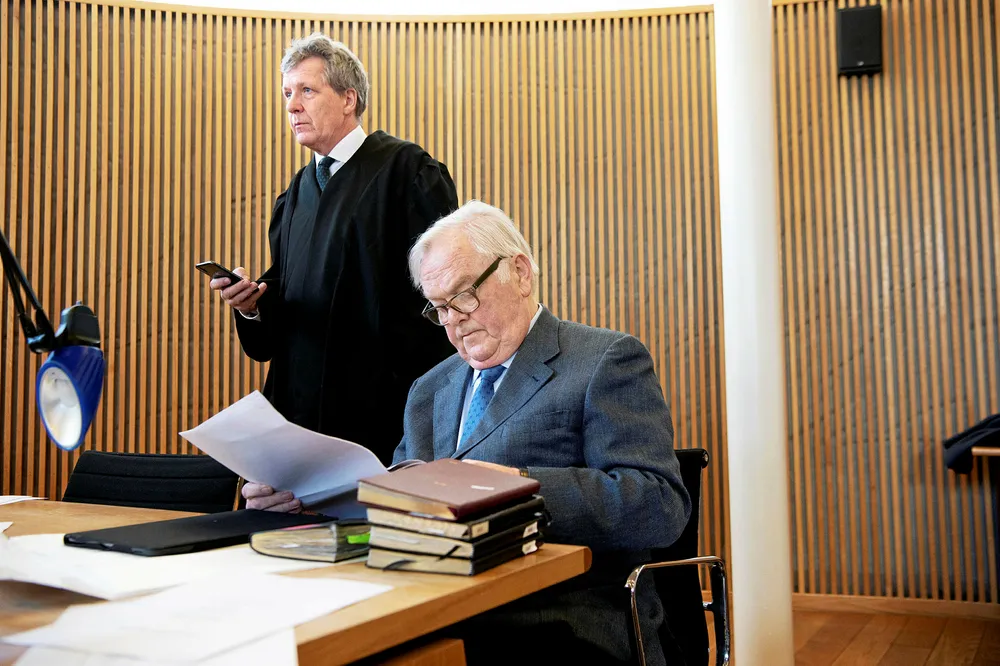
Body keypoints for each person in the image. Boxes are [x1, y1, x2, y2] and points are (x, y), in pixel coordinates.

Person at [245, 201, 690, 665]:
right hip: (430, 606)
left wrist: (515, 487)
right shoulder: (429, 388)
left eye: (463, 296)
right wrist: (312, 502)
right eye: (439, 307)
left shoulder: (604, 359)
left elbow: (658, 504)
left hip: (559, 620)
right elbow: (397, 507)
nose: (453, 318)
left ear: (520, 273)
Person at [210, 33, 457, 467]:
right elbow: (284, 295)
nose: (292, 106)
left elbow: (442, 289)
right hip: (299, 414)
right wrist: (252, 305)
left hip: (379, 410)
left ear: (348, 98)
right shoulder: (294, 196)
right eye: (287, 93)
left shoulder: (407, 171)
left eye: (306, 90)